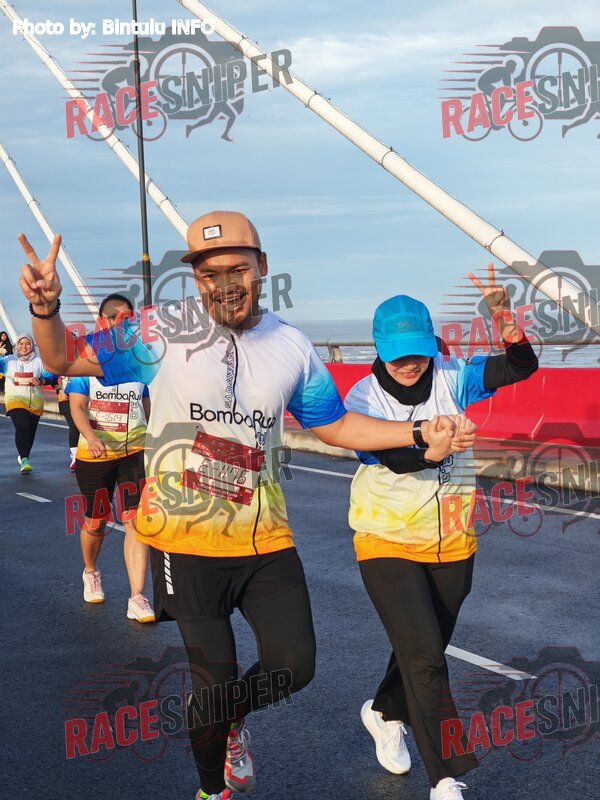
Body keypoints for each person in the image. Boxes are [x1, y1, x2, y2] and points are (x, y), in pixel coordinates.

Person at [17, 215, 471, 800]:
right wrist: (46, 309)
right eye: (209, 274)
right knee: (212, 683)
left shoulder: (291, 345)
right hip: (186, 539)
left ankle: (229, 718)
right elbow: (62, 359)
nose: (225, 284)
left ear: (262, 267)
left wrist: (416, 431)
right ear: (196, 279)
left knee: (295, 665)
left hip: (266, 539)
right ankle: (213, 789)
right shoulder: (158, 332)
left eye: (238, 269)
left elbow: (335, 425)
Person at [344, 269, 539, 800]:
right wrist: (433, 450)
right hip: (385, 538)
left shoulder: (453, 375)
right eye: (398, 356)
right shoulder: (363, 399)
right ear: (379, 350)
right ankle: (445, 777)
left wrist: (503, 316)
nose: (410, 364)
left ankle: (385, 710)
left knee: (423, 647)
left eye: (418, 352)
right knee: (428, 660)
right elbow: (390, 457)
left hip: (453, 539)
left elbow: (521, 366)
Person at [66, 293, 155, 623]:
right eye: (116, 317)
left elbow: (149, 407)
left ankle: (137, 596)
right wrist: (90, 438)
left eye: (129, 318)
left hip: (135, 452)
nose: (123, 322)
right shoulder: (86, 361)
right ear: (102, 322)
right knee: (97, 521)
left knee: (136, 521)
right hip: (96, 455)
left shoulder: (141, 360)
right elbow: (76, 407)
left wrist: (158, 441)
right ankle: (90, 571)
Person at [0, 332, 57, 472]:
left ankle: (23, 455)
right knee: (23, 426)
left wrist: (41, 380)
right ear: (17, 346)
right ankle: (25, 459)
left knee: (30, 431)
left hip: (35, 401)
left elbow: (50, 376)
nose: (24, 346)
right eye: (21, 344)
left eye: (27, 344)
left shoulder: (39, 361)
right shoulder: (8, 360)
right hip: (15, 399)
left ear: (32, 345)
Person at [56, 376, 79, 468]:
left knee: (85, 427)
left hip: (82, 398)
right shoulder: (61, 367)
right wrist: (59, 390)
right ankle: (75, 457)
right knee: (74, 426)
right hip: (65, 399)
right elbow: (50, 379)